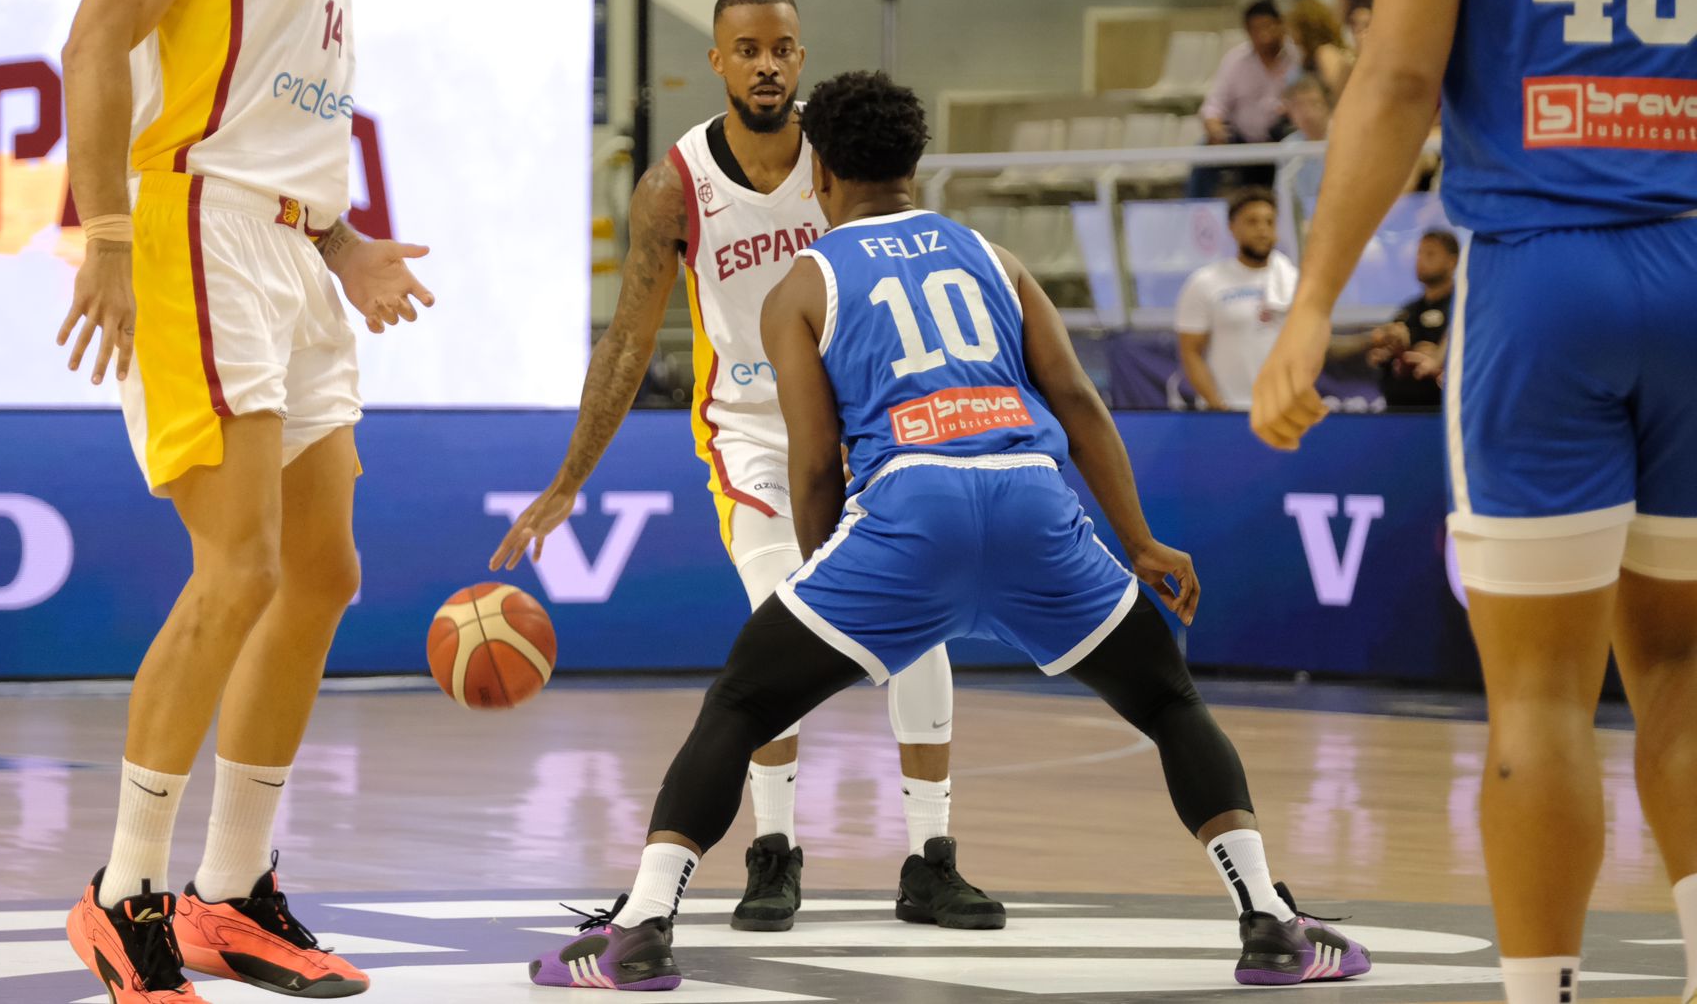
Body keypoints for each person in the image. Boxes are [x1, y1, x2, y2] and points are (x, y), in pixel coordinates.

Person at [524, 72, 1370, 991]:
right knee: (1169, 703)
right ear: (917, 166)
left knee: (741, 703)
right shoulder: (994, 257)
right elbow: (1079, 402)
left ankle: (642, 929)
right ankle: (1270, 921)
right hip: (1033, 503)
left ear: (820, 171)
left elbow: (816, 462)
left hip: (910, 515)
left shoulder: (803, 283)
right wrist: (1139, 541)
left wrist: (827, 577)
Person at [1251, 0, 1697, 1003]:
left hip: (1540, 282)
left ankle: (1541, 990)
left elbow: (1394, 84)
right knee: (1683, 674)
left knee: (1542, 701)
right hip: (1691, 263)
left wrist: (1311, 303)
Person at [56, 0, 433, 1003]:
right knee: (239, 566)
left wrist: (343, 239)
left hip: (289, 248)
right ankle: (124, 893)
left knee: (319, 571)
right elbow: (94, 37)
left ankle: (229, 890)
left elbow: (274, 124)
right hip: (197, 234)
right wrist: (106, 232)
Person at [492, 0, 1002, 933]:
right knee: (779, 621)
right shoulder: (673, 187)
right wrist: (569, 480)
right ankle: (773, 851)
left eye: (783, 48)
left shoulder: (841, 162)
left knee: (920, 624)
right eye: (748, 49)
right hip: (753, 432)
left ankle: (931, 859)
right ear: (718, 61)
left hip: (862, 424)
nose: (767, 64)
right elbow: (627, 340)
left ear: (801, 56)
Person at [1175, 189, 1296, 412]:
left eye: (1269, 222)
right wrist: (1218, 406)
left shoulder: (1294, 281)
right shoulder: (1205, 282)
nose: (1262, 229)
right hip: (1229, 413)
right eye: (1252, 221)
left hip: (1284, 411)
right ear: (1232, 227)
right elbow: (1190, 352)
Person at [1189, 0, 1300, 198]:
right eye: (1256, 29)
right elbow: (1214, 104)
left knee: (1297, 146)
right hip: (1242, 138)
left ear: (1280, 25)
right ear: (1248, 31)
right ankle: (1195, 210)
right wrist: (1214, 127)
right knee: (1204, 151)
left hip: (1281, 137)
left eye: (1268, 26)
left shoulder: (1296, 58)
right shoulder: (1235, 60)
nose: (1264, 35)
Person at [1368, 230, 1456, 411]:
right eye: (1419, 253)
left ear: (1452, 261)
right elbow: (1384, 353)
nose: (1421, 260)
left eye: (1430, 253)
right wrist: (1386, 352)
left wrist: (1438, 358)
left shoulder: (1463, 309)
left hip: (1442, 411)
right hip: (1398, 411)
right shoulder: (1408, 311)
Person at [1281, 76, 1332, 217]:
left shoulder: (1344, 138)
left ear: (1328, 106)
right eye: (1298, 106)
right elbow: (1283, 195)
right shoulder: (1288, 147)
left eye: (1314, 103)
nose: (1307, 112)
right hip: (1303, 218)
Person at [1287, 0, 1354, 102]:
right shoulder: (1309, 57)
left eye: (1294, 29)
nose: (1292, 36)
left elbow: (1339, 93)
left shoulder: (1325, 53)